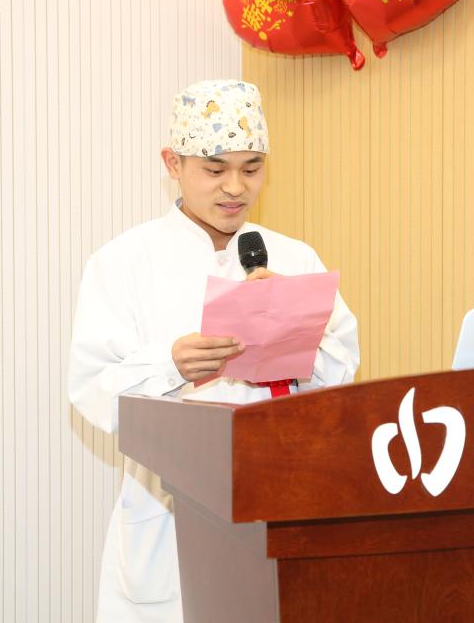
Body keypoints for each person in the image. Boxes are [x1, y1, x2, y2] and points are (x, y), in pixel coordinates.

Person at [67, 79, 361, 622]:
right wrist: (170, 365)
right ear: (173, 164)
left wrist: (295, 332)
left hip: (279, 503)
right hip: (168, 520)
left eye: (252, 168)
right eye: (215, 168)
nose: (235, 187)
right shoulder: (123, 262)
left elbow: (341, 378)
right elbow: (92, 392)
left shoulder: (295, 259)